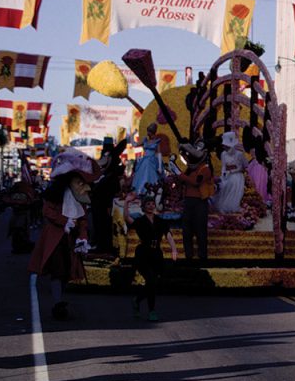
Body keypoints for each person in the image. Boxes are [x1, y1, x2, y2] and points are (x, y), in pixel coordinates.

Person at [28, 150, 98, 320]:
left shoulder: (81, 198)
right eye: (78, 181)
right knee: (57, 270)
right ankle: (57, 303)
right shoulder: (56, 195)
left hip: (70, 240)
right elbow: (47, 211)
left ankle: (59, 300)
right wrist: (64, 220)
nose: (82, 186)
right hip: (55, 238)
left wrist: (83, 238)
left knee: (67, 271)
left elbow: (82, 220)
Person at [124, 193, 177, 321]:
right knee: (150, 280)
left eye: (152, 203)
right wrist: (126, 202)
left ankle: (137, 300)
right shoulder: (141, 221)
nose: (151, 206)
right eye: (148, 204)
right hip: (143, 254)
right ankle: (152, 311)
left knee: (153, 282)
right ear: (143, 207)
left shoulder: (160, 221)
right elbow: (127, 218)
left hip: (156, 254)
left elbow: (168, 235)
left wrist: (174, 249)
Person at [177, 141, 213, 261]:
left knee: (200, 230)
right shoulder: (189, 169)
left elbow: (196, 182)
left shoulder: (205, 169)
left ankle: (202, 257)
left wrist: (181, 175)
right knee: (186, 230)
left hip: (199, 202)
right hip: (188, 201)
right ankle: (189, 256)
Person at [90, 137, 127, 254]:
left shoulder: (110, 173)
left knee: (104, 224)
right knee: (101, 223)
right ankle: (102, 245)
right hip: (101, 202)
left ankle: (104, 246)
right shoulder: (106, 171)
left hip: (104, 202)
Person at [212, 131, 247, 213]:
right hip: (227, 174)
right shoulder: (223, 154)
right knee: (222, 185)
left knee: (232, 183)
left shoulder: (239, 154)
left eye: (227, 146)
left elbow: (243, 166)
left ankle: (231, 207)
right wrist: (223, 175)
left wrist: (233, 171)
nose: (225, 148)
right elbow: (224, 166)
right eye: (225, 146)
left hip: (237, 175)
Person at [131, 123, 164, 195]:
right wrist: (133, 135)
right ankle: (141, 191)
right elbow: (134, 144)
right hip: (144, 160)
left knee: (151, 176)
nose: (147, 133)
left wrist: (160, 167)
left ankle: (151, 192)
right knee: (142, 176)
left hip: (152, 161)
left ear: (152, 132)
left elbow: (159, 153)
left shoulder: (157, 141)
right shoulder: (145, 140)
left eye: (149, 131)